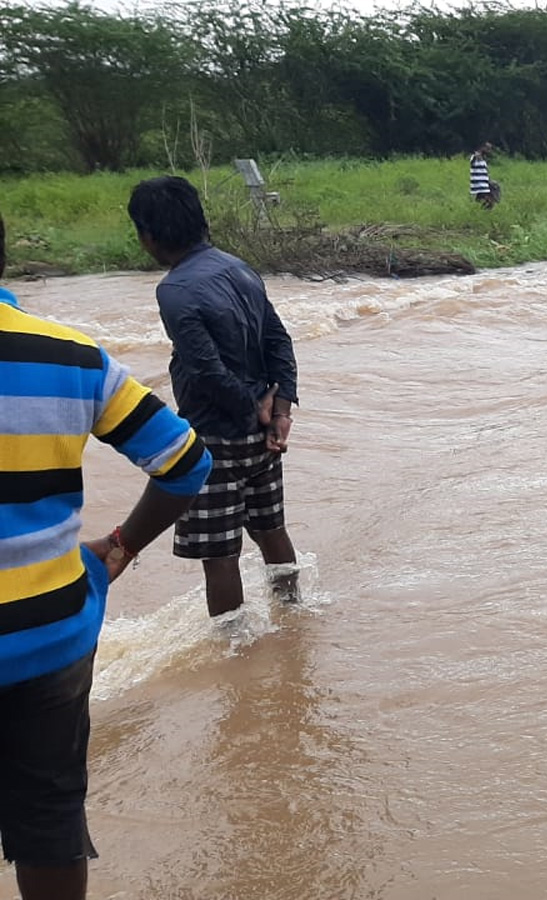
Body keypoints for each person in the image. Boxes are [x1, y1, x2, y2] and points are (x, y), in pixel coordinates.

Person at [0, 211, 212, 900]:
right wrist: (120, 547)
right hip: (48, 636)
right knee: (50, 814)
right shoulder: (68, 355)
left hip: (51, 637)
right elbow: (184, 462)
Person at [127, 176, 301, 618]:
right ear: (200, 221)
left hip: (213, 439)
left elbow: (205, 371)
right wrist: (277, 410)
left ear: (147, 236)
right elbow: (278, 340)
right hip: (261, 437)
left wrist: (252, 408)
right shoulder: (238, 267)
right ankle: (295, 613)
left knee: (220, 557)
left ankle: (232, 649)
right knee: (271, 530)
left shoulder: (175, 290)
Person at [469, 142, 500, 209]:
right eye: (488, 148)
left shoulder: (483, 160)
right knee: (488, 201)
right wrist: (476, 155)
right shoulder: (474, 158)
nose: (489, 151)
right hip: (480, 185)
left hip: (484, 184)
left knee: (495, 186)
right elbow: (473, 160)